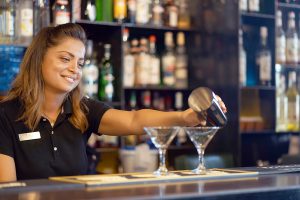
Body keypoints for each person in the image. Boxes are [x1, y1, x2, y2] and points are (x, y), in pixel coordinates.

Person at [0, 23, 227, 182]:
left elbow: (134, 119)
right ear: (39, 60)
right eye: (65, 58)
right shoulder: (6, 115)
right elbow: (7, 191)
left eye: (80, 63)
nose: (74, 69)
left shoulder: (82, 110)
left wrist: (184, 117)